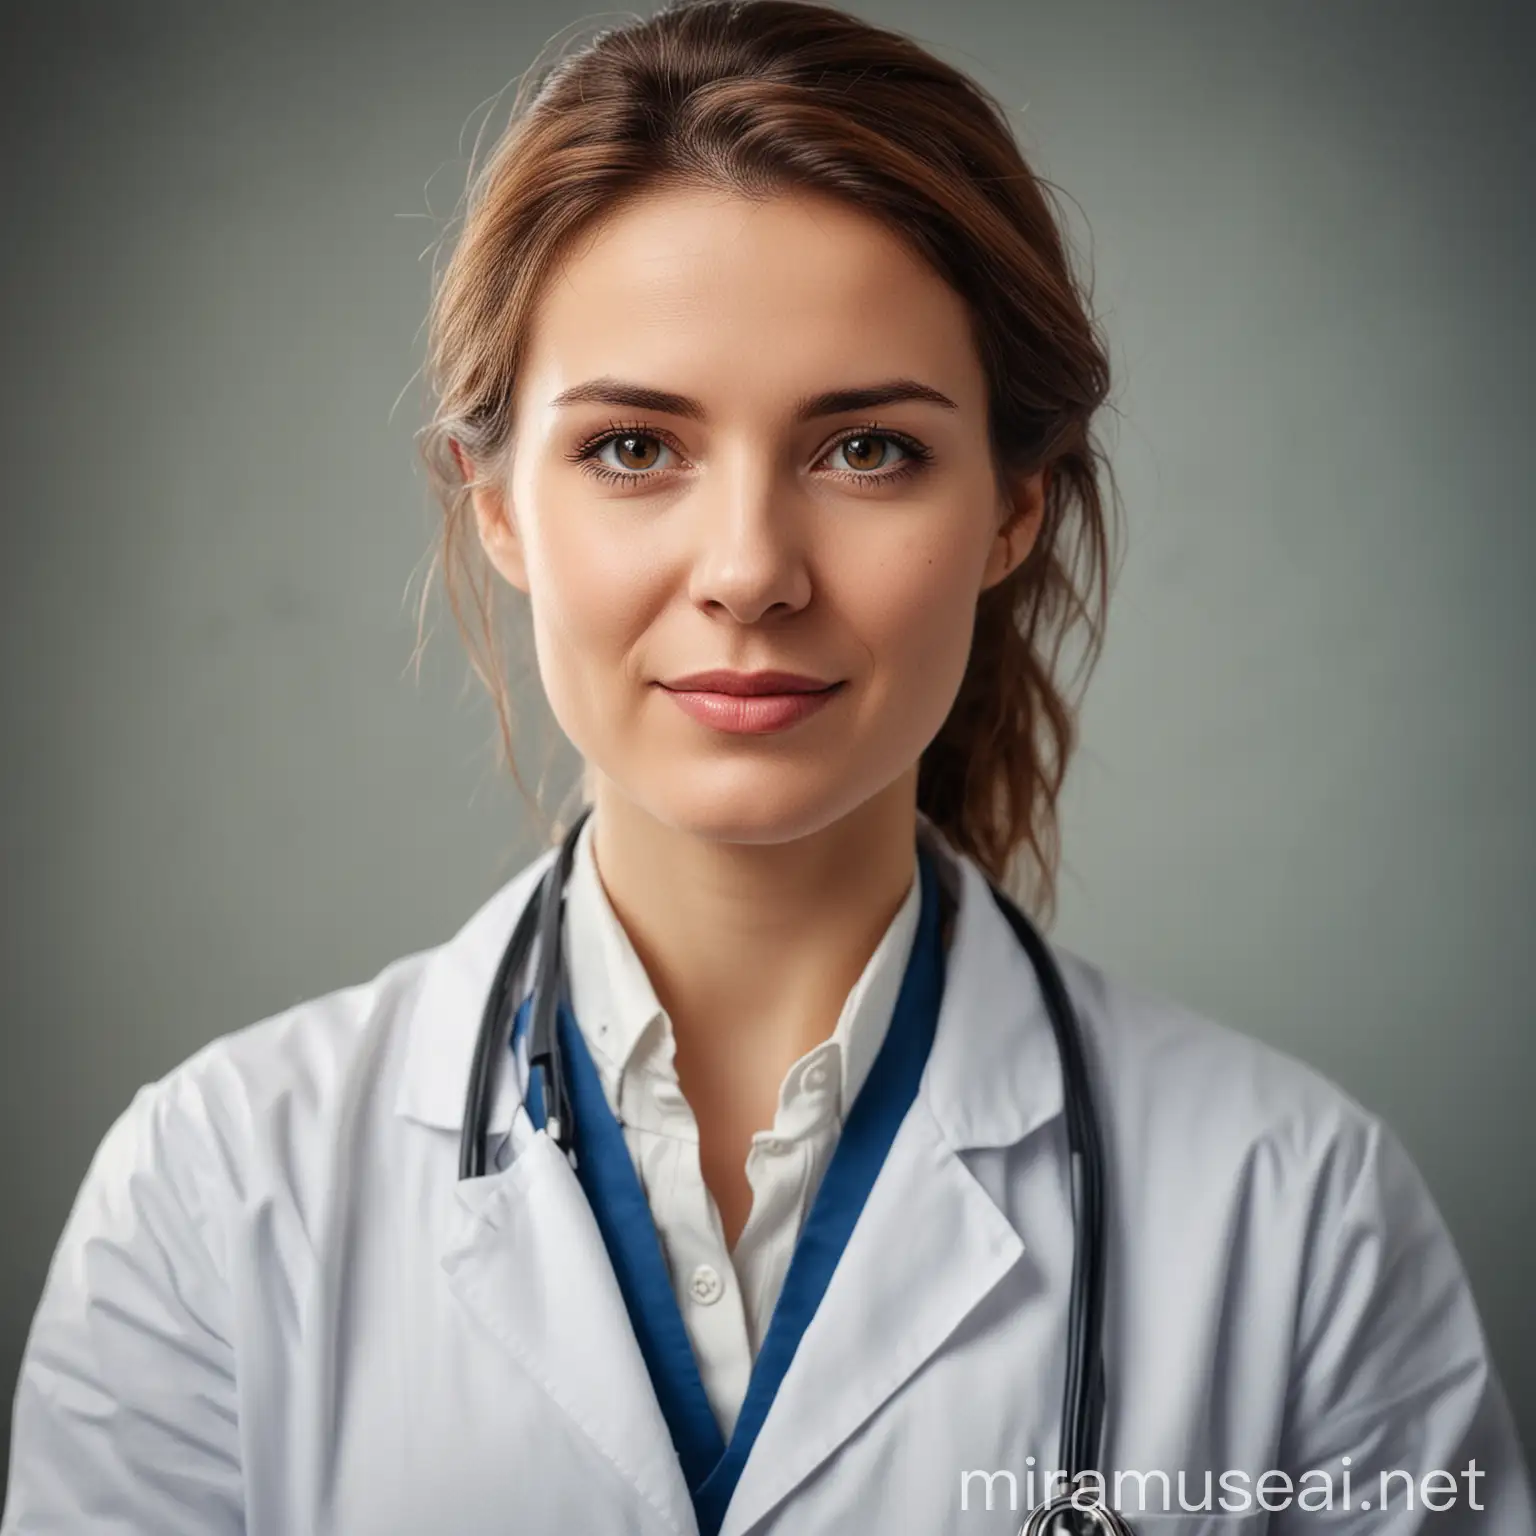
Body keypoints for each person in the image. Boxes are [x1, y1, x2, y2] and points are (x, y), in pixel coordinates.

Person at [5, 2, 1531, 1532]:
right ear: (494, 505)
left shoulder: (1302, 1220)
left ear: (1013, 507)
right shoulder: (209, 1204)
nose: (748, 572)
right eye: (633, 448)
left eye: (866, 449)